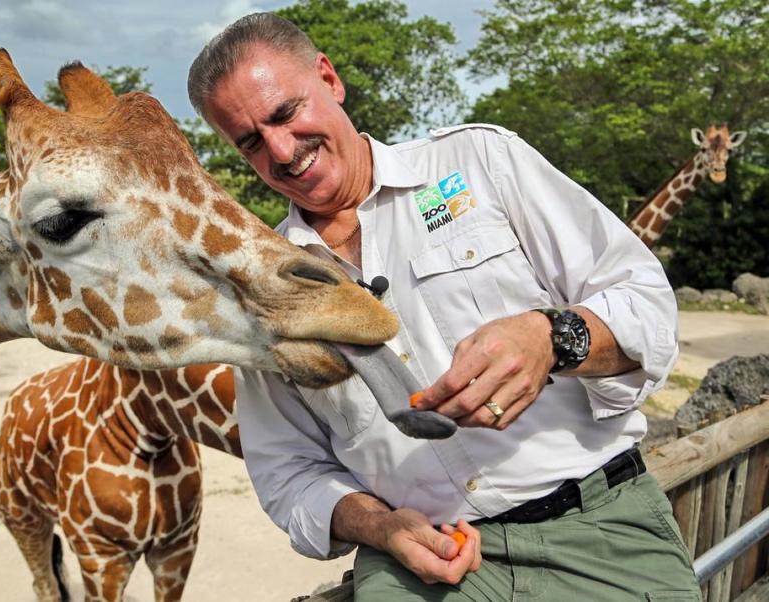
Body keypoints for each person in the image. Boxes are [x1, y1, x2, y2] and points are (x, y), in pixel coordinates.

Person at [188, 13, 701, 601]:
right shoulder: (266, 290)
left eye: (285, 112)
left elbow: (646, 304)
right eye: (250, 142)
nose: (281, 150)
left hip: (600, 530)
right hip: (424, 567)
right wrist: (379, 525)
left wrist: (551, 337)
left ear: (329, 79)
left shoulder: (479, 163)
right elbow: (287, 473)